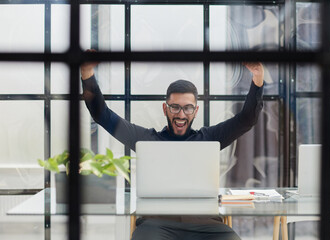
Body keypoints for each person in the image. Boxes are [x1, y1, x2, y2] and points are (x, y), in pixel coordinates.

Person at [81, 53, 264, 240]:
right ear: (165, 108)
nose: (181, 114)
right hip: (156, 225)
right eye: (175, 107)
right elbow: (102, 115)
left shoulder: (209, 138)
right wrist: (87, 72)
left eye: (188, 108)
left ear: (196, 110)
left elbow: (247, 119)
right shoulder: (147, 140)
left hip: (206, 225)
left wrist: (257, 79)